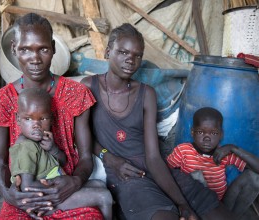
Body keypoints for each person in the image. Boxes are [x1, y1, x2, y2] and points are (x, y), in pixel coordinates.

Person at [0, 13, 108, 219]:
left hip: (66, 187)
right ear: (14, 49)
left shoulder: (76, 94)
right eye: (25, 50)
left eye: (44, 49)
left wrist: (75, 181)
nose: (35, 59)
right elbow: (0, 163)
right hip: (26, 196)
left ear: (54, 49)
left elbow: (85, 157)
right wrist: (8, 195)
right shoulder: (1, 101)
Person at [81, 23, 200, 220]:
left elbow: (153, 157)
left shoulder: (146, 93)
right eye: (123, 52)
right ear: (108, 52)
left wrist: (183, 204)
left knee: (211, 210)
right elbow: (81, 137)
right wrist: (108, 157)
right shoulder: (88, 87)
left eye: (137, 55)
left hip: (155, 168)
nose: (130, 60)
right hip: (127, 174)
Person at [10, 88, 112, 219]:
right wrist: (55, 187)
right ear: (18, 119)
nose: (36, 125)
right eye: (28, 119)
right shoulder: (25, 147)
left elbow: (62, 162)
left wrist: (53, 149)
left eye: (43, 118)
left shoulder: (41, 140)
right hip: (47, 200)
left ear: (51, 119)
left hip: (56, 190)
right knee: (104, 197)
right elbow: (27, 186)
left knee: (99, 184)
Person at [167, 107, 259, 217]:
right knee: (195, 176)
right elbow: (165, 172)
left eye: (214, 133)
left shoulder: (223, 154)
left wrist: (233, 148)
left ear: (221, 135)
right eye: (201, 132)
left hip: (220, 204)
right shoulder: (183, 150)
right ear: (192, 132)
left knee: (255, 179)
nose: (207, 138)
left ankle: (232, 217)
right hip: (194, 204)